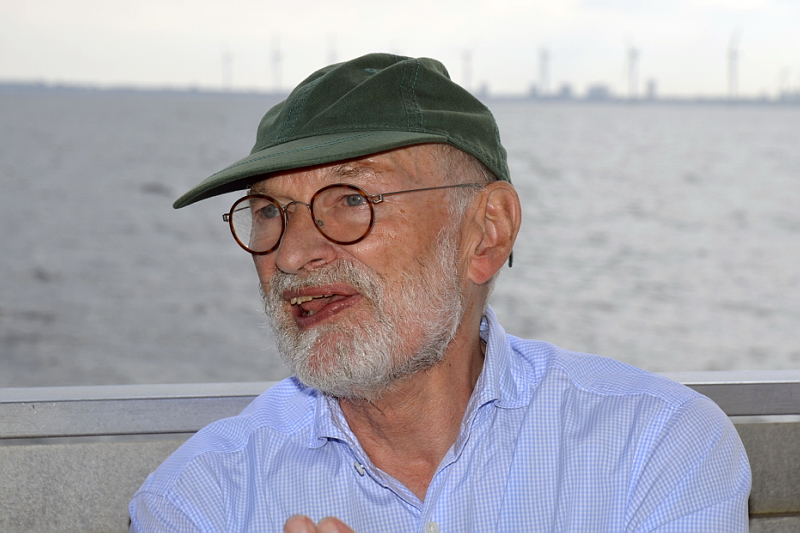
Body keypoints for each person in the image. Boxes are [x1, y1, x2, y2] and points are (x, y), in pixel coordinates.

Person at [129, 53, 750, 532]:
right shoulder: (199, 500)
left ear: (486, 234)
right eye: (268, 211)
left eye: (351, 199)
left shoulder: (657, 447)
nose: (290, 255)